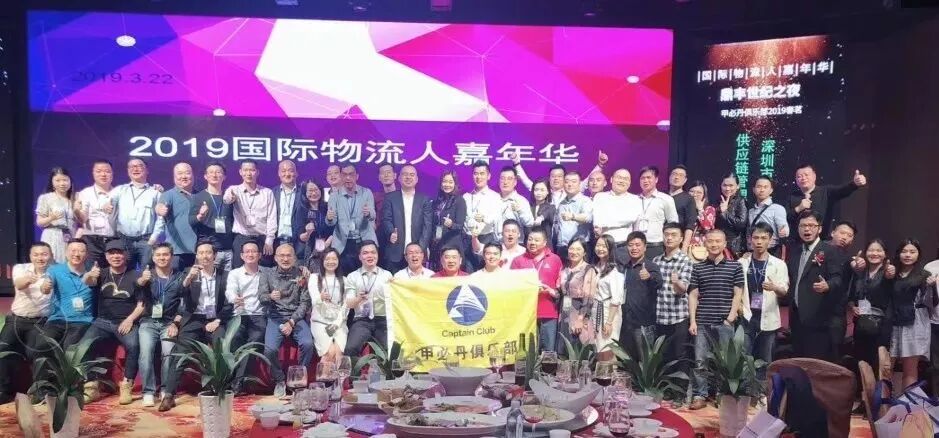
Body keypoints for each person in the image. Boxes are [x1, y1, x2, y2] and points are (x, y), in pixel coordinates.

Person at [160, 241, 232, 412]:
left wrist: (218, 321)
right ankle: (169, 394)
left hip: (215, 319)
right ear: (196, 256)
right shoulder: (188, 272)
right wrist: (188, 279)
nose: (205, 256)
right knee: (180, 352)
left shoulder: (225, 275)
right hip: (194, 318)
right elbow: (177, 294)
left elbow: (229, 303)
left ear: (215, 255)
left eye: (208, 252)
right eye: (201, 253)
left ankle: (219, 388)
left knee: (221, 346)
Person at [80, 239, 146, 405]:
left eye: (119, 253)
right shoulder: (100, 273)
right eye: (111, 253)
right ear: (106, 256)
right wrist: (89, 275)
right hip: (102, 321)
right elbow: (87, 281)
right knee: (84, 346)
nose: (115, 256)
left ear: (126, 255)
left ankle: (126, 385)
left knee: (134, 346)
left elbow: (142, 305)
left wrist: (129, 320)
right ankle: (91, 386)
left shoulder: (135, 275)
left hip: (126, 322)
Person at [688, 229, 744, 410]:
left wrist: (731, 317)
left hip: (724, 321)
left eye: (718, 241)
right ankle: (700, 395)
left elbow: (738, 294)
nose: (714, 244)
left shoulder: (735, 266)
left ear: (725, 243)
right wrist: (693, 321)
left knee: (723, 361)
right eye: (710, 241)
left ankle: (721, 394)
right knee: (700, 361)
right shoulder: (697, 267)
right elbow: (693, 295)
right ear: (705, 243)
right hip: (702, 321)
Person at [738, 223, 789, 396]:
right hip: (747, 316)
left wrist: (775, 287)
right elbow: (735, 289)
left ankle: (760, 394)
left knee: (765, 359)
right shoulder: (742, 262)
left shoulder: (779, 264)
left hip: (768, 317)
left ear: (770, 240)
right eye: (756, 238)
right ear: (750, 240)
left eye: (763, 238)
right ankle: (745, 392)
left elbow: (784, 291)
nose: (759, 242)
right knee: (744, 356)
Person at [786, 210, 844, 361]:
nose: (807, 229)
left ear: (820, 228)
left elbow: (838, 278)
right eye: (803, 225)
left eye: (811, 225)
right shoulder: (795, 251)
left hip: (818, 318)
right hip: (796, 318)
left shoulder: (829, 251)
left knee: (814, 364)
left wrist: (828, 285)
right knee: (798, 362)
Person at [0, 243, 53, 404]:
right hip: (16, 319)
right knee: (3, 349)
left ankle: (40, 392)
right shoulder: (21, 268)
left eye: (44, 254)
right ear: (30, 256)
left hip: (40, 322)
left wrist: (47, 287)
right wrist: (30, 279)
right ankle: (4, 391)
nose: (40, 258)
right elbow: (19, 284)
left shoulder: (55, 272)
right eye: (36, 254)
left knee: (37, 352)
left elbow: (48, 290)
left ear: (50, 256)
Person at [260, 244, 314, 398]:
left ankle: (299, 379)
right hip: (275, 317)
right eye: (281, 255)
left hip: (296, 317)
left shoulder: (301, 274)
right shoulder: (267, 274)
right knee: (269, 350)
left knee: (308, 344)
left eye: (289, 255)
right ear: (276, 258)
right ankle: (279, 380)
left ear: (295, 258)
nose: (285, 259)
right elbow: (261, 297)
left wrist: (291, 322)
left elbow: (305, 303)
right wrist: (270, 297)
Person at [136, 243, 184, 407]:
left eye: (165, 254)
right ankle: (148, 391)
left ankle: (166, 389)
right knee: (145, 352)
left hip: (169, 322)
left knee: (168, 353)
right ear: (153, 257)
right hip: (148, 322)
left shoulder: (180, 277)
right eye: (158, 255)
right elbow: (137, 288)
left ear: (172, 256)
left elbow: (183, 304)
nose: (162, 258)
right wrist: (142, 281)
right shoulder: (147, 276)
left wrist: (176, 323)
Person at [889, 239, 935, 389]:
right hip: (892, 322)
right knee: (886, 366)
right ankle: (883, 401)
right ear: (898, 253)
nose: (908, 255)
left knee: (910, 368)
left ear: (918, 254)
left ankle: (908, 402)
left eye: (912, 252)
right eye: (904, 251)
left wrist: (931, 287)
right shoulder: (891, 272)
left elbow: (931, 302)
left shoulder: (924, 275)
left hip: (915, 323)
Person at [226, 241, 269, 394]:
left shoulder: (267, 272)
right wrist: (234, 298)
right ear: (242, 256)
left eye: (254, 251)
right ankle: (232, 378)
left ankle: (238, 381)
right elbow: (230, 291)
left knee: (253, 342)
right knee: (234, 338)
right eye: (247, 252)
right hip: (239, 314)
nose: (250, 254)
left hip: (259, 315)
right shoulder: (234, 273)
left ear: (259, 255)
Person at [511, 226, 564, 352]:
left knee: (548, 353)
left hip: (548, 311)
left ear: (545, 242)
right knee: (527, 352)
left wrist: (551, 291)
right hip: (526, 312)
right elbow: (513, 286)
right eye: (530, 239)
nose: (532, 243)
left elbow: (561, 287)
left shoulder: (555, 259)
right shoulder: (518, 261)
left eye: (536, 240)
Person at [847, 239, 894, 378]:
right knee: (860, 361)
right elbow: (851, 295)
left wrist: (890, 273)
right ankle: (862, 389)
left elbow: (891, 278)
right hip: (861, 323)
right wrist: (853, 307)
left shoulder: (887, 272)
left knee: (877, 362)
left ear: (885, 254)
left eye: (879, 250)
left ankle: (878, 390)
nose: (874, 253)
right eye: (871, 250)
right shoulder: (861, 272)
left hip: (880, 326)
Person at [652, 223, 693, 377]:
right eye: (666, 235)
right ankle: (665, 387)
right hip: (660, 316)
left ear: (681, 238)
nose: (669, 238)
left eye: (673, 235)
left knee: (679, 355)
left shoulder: (685, 260)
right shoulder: (656, 260)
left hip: (678, 316)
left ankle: (681, 389)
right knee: (663, 355)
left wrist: (676, 283)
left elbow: (683, 290)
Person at [380, 165, 434, 273]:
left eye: (412, 175)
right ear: (399, 178)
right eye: (405, 174)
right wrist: (391, 232)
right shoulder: (390, 198)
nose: (408, 177)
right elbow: (386, 219)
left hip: (417, 253)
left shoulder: (424, 200)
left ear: (417, 179)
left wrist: (420, 248)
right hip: (395, 251)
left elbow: (427, 226)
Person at [787, 164, 868, 236]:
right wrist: (799, 208)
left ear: (814, 176)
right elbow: (786, 219)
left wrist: (854, 184)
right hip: (797, 242)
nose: (803, 178)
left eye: (806, 175)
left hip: (822, 241)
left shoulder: (826, 191)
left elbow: (842, 190)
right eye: (799, 176)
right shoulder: (792, 196)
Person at [225, 160, 277, 269]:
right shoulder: (234, 189)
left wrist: (269, 240)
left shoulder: (267, 192)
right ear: (240, 172)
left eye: (252, 170)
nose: (248, 173)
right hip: (241, 237)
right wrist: (231, 198)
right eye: (245, 170)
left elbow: (272, 217)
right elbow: (227, 199)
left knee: (264, 271)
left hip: (261, 239)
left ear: (257, 172)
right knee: (239, 270)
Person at [326, 164, 377, 274]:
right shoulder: (334, 196)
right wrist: (329, 218)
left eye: (351, 174)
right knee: (343, 276)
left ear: (357, 176)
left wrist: (368, 213)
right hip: (343, 243)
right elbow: (331, 222)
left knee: (365, 275)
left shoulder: (366, 192)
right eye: (344, 175)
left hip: (363, 240)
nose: (348, 178)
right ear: (341, 176)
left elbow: (373, 215)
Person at [343, 241, 393, 355]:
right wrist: (358, 299)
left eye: (373, 252)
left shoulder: (387, 275)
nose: (370, 256)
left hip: (382, 319)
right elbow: (349, 304)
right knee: (350, 348)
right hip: (362, 320)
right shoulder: (352, 277)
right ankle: (354, 368)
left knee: (388, 350)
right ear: (360, 257)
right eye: (365, 253)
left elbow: (392, 301)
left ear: (377, 255)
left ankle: (381, 368)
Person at [112, 158, 162, 270]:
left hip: (146, 240)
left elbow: (161, 218)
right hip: (124, 239)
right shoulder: (120, 190)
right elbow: (106, 203)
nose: (135, 169)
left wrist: (154, 237)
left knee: (147, 272)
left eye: (139, 166)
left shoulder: (155, 192)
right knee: (125, 273)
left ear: (147, 170)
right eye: (132, 166)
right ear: (128, 171)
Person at [621, 231, 663, 361]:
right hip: (626, 323)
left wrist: (649, 277)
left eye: (638, 245)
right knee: (628, 362)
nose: (634, 248)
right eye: (631, 245)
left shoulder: (651, 266)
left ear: (645, 247)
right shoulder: (625, 267)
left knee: (645, 362)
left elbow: (659, 283)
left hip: (644, 324)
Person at [190, 162, 235, 271]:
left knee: (227, 280)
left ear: (224, 176)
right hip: (208, 249)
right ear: (205, 176)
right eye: (211, 172)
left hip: (228, 249)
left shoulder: (230, 197)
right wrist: (200, 215)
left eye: (218, 172)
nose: (214, 175)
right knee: (207, 279)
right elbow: (191, 221)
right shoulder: (197, 197)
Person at [592, 169, 641, 266]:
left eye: (626, 179)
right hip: (603, 246)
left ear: (630, 182)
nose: (622, 181)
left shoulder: (635, 199)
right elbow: (598, 222)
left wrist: (606, 224)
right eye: (619, 177)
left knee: (622, 274)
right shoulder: (600, 197)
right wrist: (622, 220)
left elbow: (632, 219)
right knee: (601, 273)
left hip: (623, 247)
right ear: (611, 179)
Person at [74, 159, 117, 267]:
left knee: (113, 273)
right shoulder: (85, 193)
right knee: (92, 271)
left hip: (114, 239)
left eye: (107, 171)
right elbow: (83, 219)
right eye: (99, 171)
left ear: (112, 174)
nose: (103, 174)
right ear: (93, 173)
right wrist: (76, 211)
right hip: (92, 240)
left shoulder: (119, 193)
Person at [309, 248, 348, 363]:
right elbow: (314, 301)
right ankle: (324, 376)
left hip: (339, 322)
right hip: (320, 322)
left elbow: (346, 306)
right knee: (329, 352)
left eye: (334, 259)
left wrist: (336, 324)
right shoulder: (314, 278)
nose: (331, 262)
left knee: (339, 353)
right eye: (327, 259)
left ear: (338, 261)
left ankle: (339, 376)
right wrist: (320, 298)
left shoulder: (344, 280)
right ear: (322, 261)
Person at [156, 162, 197, 270]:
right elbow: (160, 206)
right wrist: (160, 209)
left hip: (198, 251)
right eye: (180, 173)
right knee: (177, 280)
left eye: (187, 173)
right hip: (176, 251)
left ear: (193, 176)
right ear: (174, 177)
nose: (184, 176)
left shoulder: (199, 195)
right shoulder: (168, 194)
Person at [558, 238, 597, 351]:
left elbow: (589, 298)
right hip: (565, 310)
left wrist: (580, 319)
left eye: (578, 249)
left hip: (579, 310)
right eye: (571, 249)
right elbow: (563, 291)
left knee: (577, 347)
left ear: (584, 252)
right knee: (564, 347)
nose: (574, 252)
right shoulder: (565, 268)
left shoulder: (588, 269)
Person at [828, 220, 858, 361]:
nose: (845, 237)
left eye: (849, 235)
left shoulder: (850, 261)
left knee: (835, 352)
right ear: (832, 232)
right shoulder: (818, 250)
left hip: (837, 312)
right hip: (814, 311)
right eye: (842, 233)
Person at [635, 166, 679, 260]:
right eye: (642, 178)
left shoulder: (666, 199)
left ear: (656, 179)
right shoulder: (634, 199)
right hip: (636, 246)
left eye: (649, 177)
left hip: (656, 246)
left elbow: (673, 224)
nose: (645, 181)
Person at [592, 235, 624, 359]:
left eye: (604, 246)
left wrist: (609, 322)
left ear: (610, 249)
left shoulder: (615, 271)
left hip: (608, 311)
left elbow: (616, 299)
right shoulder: (596, 267)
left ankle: (609, 370)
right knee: (598, 346)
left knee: (607, 346)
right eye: (598, 245)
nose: (600, 249)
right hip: (596, 309)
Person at [35, 167, 77, 263]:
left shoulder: (75, 198)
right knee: (53, 264)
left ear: (70, 181)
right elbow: (39, 222)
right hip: (52, 236)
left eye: (65, 180)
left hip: (70, 236)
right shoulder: (46, 198)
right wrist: (51, 218)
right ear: (52, 182)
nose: (62, 183)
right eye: (57, 180)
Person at [463, 161, 501, 263]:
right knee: (468, 271)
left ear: (488, 176)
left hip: (486, 239)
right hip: (468, 240)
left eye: (482, 173)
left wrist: (484, 219)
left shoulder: (495, 196)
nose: (478, 177)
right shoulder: (466, 197)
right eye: (475, 173)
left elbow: (496, 218)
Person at [431, 171, 467, 272]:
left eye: (450, 182)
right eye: (444, 181)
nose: (447, 184)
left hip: (452, 244)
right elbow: (436, 224)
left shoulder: (459, 200)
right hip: (438, 243)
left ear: (455, 184)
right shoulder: (438, 201)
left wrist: (451, 224)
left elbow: (460, 226)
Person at [297, 179, 334, 272]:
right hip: (310, 249)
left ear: (320, 190)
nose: (313, 193)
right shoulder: (302, 210)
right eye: (310, 190)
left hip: (329, 247)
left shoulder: (328, 207)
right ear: (305, 193)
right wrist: (307, 233)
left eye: (316, 190)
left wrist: (327, 243)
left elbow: (335, 228)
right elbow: (301, 236)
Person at [555, 171, 593, 260]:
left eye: (573, 181)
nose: (570, 184)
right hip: (562, 247)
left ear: (580, 184)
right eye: (567, 181)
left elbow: (588, 218)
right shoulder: (562, 203)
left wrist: (573, 216)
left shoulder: (585, 201)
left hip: (579, 247)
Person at [747, 176, 788, 256]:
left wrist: (784, 231)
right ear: (754, 190)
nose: (762, 190)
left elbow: (784, 229)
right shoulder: (751, 211)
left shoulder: (777, 208)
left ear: (771, 190)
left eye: (765, 187)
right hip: (753, 252)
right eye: (759, 187)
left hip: (772, 251)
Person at [273, 160, 306, 256]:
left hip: (298, 243)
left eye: (290, 171)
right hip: (277, 243)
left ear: (296, 173)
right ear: (279, 173)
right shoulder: (272, 193)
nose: (287, 174)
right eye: (283, 171)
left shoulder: (304, 193)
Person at [495, 166, 534, 242]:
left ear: (515, 182)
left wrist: (520, 210)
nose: (505, 182)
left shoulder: (521, 201)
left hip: (516, 244)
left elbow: (529, 223)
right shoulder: (493, 199)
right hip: (495, 244)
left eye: (509, 179)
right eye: (502, 178)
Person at [715, 174, 748, 257]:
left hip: (734, 247)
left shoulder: (741, 201)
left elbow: (741, 223)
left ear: (738, 186)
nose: (727, 188)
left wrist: (725, 212)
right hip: (718, 245)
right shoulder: (718, 201)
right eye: (724, 185)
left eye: (731, 185)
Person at [668, 165, 697, 250]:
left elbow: (690, 225)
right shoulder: (661, 196)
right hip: (659, 240)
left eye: (681, 175)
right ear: (669, 176)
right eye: (674, 174)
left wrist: (684, 248)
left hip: (677, 241)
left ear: (685, 180)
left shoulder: (689, 199)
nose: (677, 177)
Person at [687, 181, 716, 262]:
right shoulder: (684, 208)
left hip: (700, 247)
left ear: (704, 195)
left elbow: (707, 227)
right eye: (692, 191)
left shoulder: (709, 209)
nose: (695, 194)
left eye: (699, 192)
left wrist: (700, 210)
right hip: (684, 245)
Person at [529, 180, 558, 252]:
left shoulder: (551, 207)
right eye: (536, 190)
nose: (539, 193)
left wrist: (541, 217)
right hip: (530, 245)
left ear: (548, 191)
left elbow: (547, 213)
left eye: (542, 190)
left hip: (545, 246)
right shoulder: (528, 207)